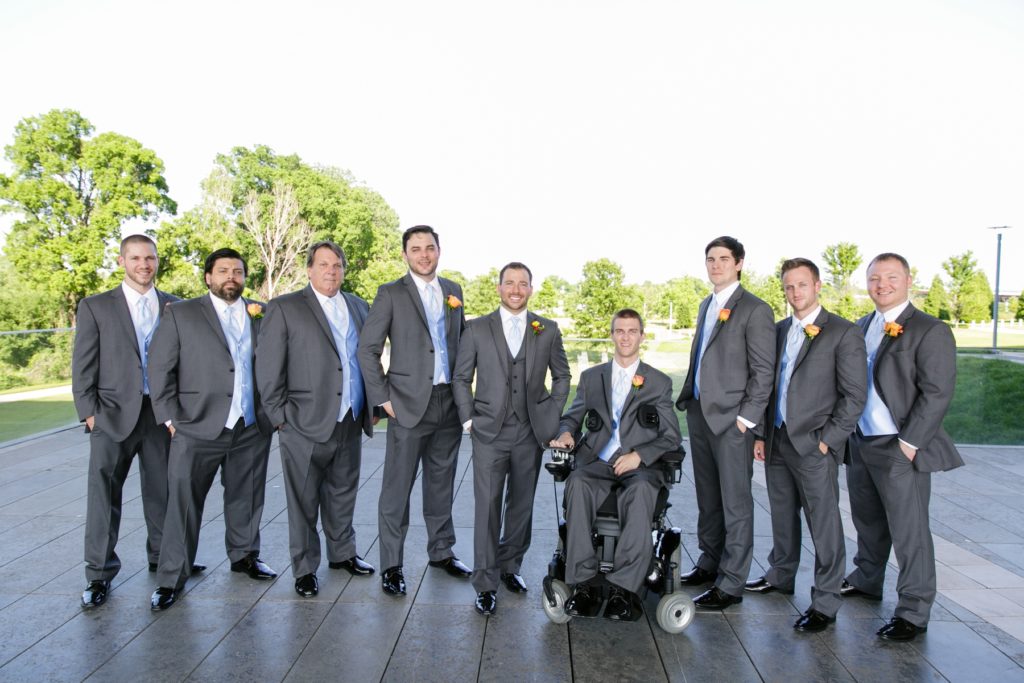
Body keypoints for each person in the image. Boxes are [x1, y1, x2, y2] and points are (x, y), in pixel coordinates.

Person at [842, 252, 963, 642]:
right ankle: (866, 579)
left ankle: (913, 610)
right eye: (875, 278)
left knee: (910, 532)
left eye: (891, 277)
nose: (882, 285)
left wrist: (908, 445)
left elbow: (937, 392)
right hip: (860, 441)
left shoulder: (930, 330)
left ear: (908, 281)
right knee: (867, 520)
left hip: (899, 445)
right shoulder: (860, 327)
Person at [147, 248, 277, 611]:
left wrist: (272, 415)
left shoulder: (263, 313)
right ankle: (171, 576)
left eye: (237, 271)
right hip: (196, 426)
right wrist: (170, 419)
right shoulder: (181, 313)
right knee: (184, 503)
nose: (231, 277)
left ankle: (244, 555)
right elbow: (159, 368)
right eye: (223, 271)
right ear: (208, 277)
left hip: (250, 425)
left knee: (247, 496)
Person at [745, 258, 867, 633]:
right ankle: (780, 574)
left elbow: (854, 396)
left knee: (823, 523)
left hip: (815, 444)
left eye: (801, 285)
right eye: (788, 286)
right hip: (777, 439)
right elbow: (767, 386)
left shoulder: (843, 332)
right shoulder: (778, 330)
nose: (794, 292)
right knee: (782, 515)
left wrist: (828, 441)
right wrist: (761, 434)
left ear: (817, 286)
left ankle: (825, 601)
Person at [72, 234, 191, 608]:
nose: (144, 264)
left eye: (150, 258)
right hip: (110, 416)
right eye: (136, 258)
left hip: (160, 416)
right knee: (103, 497)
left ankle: (164, 562)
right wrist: (90, 414)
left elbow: (186, 364)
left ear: (157, 261)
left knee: (164, 494)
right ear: (122, 261)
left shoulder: (177, 306)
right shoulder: (95, 306)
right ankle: (98, 574)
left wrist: (179, 412)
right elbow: (83, 364)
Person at [256, 241, 378, 598]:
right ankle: (305, 568)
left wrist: (371, 405)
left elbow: (366, 358)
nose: (331, 271)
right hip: (302, 422)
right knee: (303, 500)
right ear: (309, 269)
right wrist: (280, 416)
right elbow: (268, 366)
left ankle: (342, 554)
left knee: (343, 492)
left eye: (337, 265)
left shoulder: (358, 305)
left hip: (350, 418)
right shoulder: (284, 307)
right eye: (323, 264)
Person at [357, 225, 470, 596]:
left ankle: (442, 551)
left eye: (430, 247)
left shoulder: (454, 291)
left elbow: (461, 343)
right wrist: (382, 397)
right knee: (396, 489)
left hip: (447, 403)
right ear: (405, 254)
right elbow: (368, 350)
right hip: (406, 404)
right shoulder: (390, 293)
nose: (424, 254)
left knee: (441, 483)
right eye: (416, 248)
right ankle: (392, 565)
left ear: (439, 250)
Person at [452, 262, 570, 615]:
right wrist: (468, 419)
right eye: (510, 283)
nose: (516, 289)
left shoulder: (547, 329)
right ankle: (485, 583)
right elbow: (461, 378)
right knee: (487, 507)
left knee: (521, 504)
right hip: (488, 431)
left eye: (523, 283)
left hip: (529, 432)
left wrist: (550, 414)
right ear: (499, 288)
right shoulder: (476, 328)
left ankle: (510, 566)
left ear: (531, 288)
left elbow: (562, 376)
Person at [550, 309, 681, 621]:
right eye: (620, 331)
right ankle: (583, 585)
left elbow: (671, 436)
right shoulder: (591, 377)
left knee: (641, 491)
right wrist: (566, 433)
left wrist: (640, 455)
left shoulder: (658, 382)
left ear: (642, 336)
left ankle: (624, 589)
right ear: (612, 335)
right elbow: (572, 417)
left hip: (639, 465)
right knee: (578, 482)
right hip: (598, 460)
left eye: (632, 331)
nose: (625, 337)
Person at [675, 236, 776, 610]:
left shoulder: (755, 309)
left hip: (733, 421)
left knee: (736, 503)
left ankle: (731, 582)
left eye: (723, 259)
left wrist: (746, 421)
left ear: (739, 263)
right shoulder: (707, 304)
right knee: (708, 497)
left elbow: (763, 372)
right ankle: (710, 561)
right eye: (710, 259)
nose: (715, 265)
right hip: (700, 414)